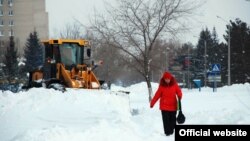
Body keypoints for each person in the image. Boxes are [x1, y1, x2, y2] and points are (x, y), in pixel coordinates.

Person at [150, 71, 182, 136]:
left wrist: (179, 96)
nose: (167, 80)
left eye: (168, 79)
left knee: (173, 121)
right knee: (166, 121)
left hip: (173, 106)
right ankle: (167, 133)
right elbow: (157, 95)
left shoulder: (174, 84)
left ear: (170, 78)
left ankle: (172, 132)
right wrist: (152, 103)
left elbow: (179, 91)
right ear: (164, 79)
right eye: (166, 79)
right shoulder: (161, 86)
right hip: (164, 107)